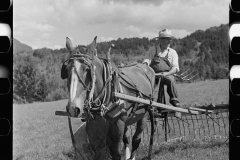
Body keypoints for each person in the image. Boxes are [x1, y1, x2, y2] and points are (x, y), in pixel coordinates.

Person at [143, 29, 181, 118]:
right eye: (167, 39)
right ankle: (149, 106)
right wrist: (146, 69)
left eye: (170, 39)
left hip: (167, 75)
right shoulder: (153, 50)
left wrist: (166, 74)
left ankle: (176, 105)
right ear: (160, 40)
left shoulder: (172, 52)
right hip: (154, 75)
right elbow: (146, 62)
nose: (169, 41)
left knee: (171, 80)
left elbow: (176, 68)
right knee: (148, 86)